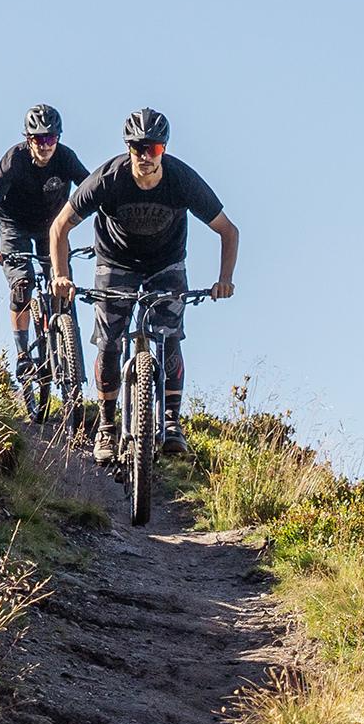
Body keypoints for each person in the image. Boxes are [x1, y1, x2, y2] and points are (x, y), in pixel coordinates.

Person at [49, 108, 239, 460]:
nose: (145, 156)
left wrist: (224, 280)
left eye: (153, 149)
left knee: (168, 336)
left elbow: (228, 230)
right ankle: (106, 428)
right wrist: (61, 275)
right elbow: (60, 227)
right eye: (138, 148)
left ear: (163, 150)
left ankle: (170, 422)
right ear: (128, 148)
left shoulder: (181, 180)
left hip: (166, 265)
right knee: (109, 342)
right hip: (115, 262)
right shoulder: (108, 178)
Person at [0, 104, 90, 389]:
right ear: (29, 139)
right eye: (39, 139)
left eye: (51, 138)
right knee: (23, 284)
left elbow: (91, 190)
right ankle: (24, 352)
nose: (45, 145)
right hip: (14, 226)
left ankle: (70, 351)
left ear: (58, 139)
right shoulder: (14, 160)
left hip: (51, 228)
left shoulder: (65, 158)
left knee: (63, 284)